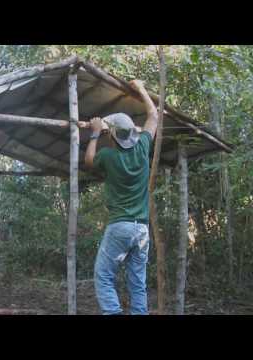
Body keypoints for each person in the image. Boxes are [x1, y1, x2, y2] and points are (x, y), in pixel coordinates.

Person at [84, 79, 158, 315]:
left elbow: (88, 161)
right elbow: (153, 116)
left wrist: (95, 134)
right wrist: (141, 89)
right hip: (142, 230)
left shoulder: (108, 156)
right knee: (138, 283)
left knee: (103, 276)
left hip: (121, 226)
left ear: (112, 136)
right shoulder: (143, 146)